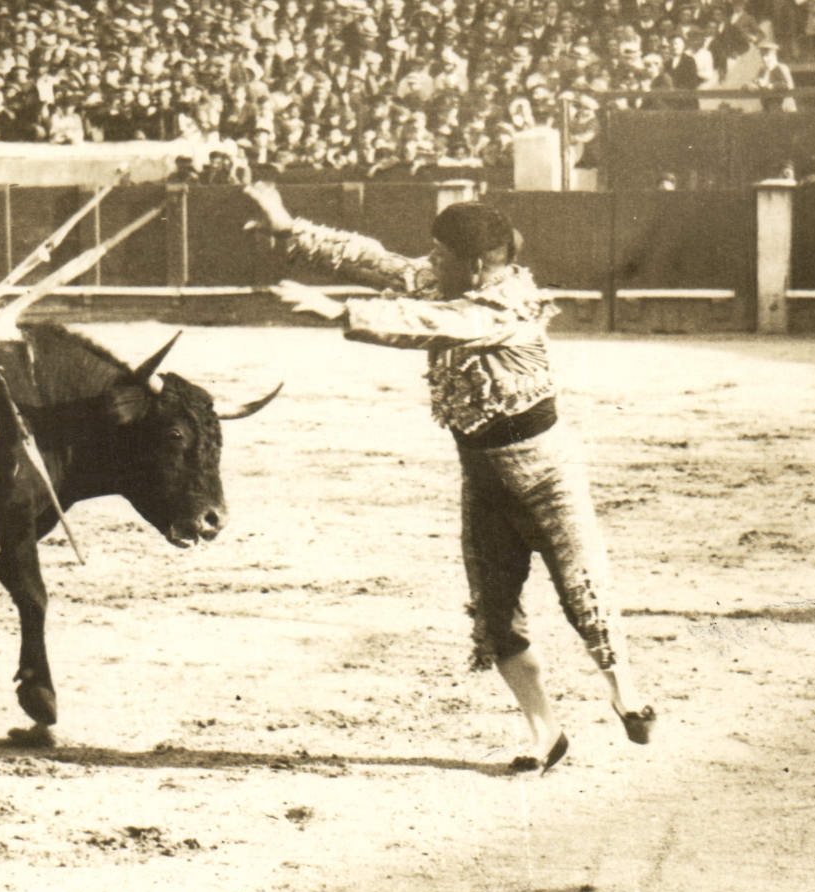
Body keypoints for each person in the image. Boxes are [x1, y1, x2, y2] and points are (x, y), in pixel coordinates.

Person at [242, 183, 656, 772]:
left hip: (547, 475)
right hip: (483, 473)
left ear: (479, 263)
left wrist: (342, 311)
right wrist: (287, 226)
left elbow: (435, 325)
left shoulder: (508, 303)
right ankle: (546, 732)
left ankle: (627, 695)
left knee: (583, 593)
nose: (428, 262)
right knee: (493, 613)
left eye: (441, 255)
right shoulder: (449, 281)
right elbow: (368, 258)